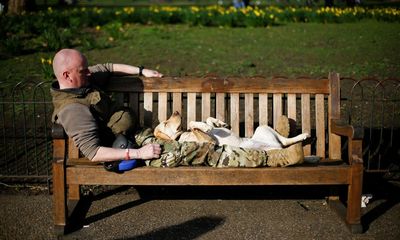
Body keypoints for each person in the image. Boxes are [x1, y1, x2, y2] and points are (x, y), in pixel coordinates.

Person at [51, 48, 303, 169]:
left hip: (138, 136)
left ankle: (270, 139)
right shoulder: (72, 110)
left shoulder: (81, 82)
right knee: (201, 151)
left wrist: (141, 71)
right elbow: (93, 153)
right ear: (66, 74)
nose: (89, 72)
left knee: (204, 140)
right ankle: (272, 158)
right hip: (130, 152)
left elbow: (106, 67)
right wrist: (139, 154)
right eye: (83, 70)